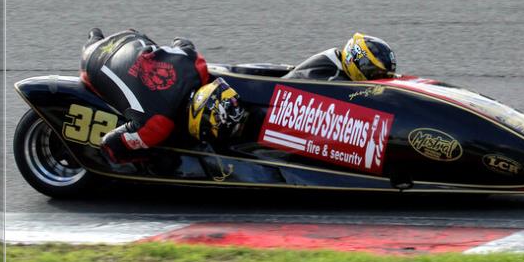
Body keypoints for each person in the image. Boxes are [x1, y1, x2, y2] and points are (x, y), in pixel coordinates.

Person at [80, 28, 246, 164]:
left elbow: (181, 41)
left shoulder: (196, 65)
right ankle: (94, 38)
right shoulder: (156, 125)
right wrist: (149, 157)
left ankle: (95, 35)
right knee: (160, 153)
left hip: (130, 35)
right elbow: (109, 145)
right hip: (94, 61)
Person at [282, 32, 397, 81]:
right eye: (377, 74)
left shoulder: (339, 63)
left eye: (385, 75)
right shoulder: (333, 73)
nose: (382, 79)